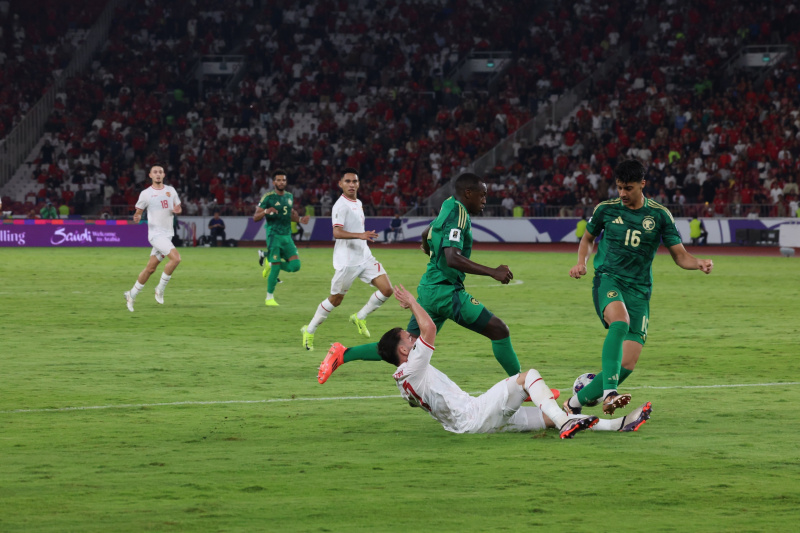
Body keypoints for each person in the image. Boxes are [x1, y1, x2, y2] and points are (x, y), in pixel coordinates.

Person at [317, 172, 521, 384]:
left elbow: (427, 231)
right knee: (499, 330)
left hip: (430, 288)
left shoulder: (448, 204)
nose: (485, 200)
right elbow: (452, 258)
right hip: (446, 292)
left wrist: (427, 246)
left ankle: (343, 354)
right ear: (468, 193)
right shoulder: (459, 213)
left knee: (406, 348)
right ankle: (522, 386)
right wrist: (493, 271)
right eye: (482, 195)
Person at [378, 285, 654, 436]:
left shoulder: (403, 383)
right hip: (475, 413)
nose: (413, 339)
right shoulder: (414, 366)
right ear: (403, 352)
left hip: (464, 425)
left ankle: (618, 425)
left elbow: (417, 401)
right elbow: (430, 329)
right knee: (527, 376)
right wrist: (414, 302)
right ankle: (565, 422)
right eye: (408, 339)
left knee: (547, 417)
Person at [564, 159, 713, 415]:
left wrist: (697, 263)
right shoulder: (606, 209)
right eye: (619, 187)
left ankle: (572, 405)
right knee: (619, 322)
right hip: (609, 279)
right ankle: (610, 394)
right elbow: (588, 238)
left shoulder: (659, 215)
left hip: (640, 291)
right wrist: (582, 262)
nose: (622, 193)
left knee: (628, 363)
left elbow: (679, 255)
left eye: (628, 188)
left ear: (642, 185)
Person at [301, 168, 393, 350]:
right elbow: (336, 231)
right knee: (336, 300)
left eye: (355, 181)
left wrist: (362, 238)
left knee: (387, 289)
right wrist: (360, 235)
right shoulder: (340, 206)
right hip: (348, 261)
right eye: (348, 181)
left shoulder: (358, 202)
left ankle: (359, 317)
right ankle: (309, 330)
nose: (351, 185)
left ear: (358, 184)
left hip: (365, 256)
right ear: (340, 184)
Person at [124, 164, 182, 312]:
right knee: (176, 259)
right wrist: (137, 216)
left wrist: (177, 210)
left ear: (163, 175)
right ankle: (160, 288)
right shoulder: (146, 194)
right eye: (155, 172)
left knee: (150, 269)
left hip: (168, 234)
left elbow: (178, 207)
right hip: (156, 235)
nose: (158, 174)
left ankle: (131, 294)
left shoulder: (171, 190)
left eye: (160, 172)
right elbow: (138, 211)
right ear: (150, 175)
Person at [253, 169, 310, 306]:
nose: (281, 182)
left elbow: (288, 213)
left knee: (296, 266)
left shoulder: (289, 196)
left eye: (283, 180)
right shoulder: (268, 197)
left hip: (287, 236)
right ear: (274, 182)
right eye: (278, 180)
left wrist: (300, 219)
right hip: (274, 235)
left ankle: (270, 261)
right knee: (277, 267)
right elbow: (256, 217)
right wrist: (266, 211)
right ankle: (269, 298)